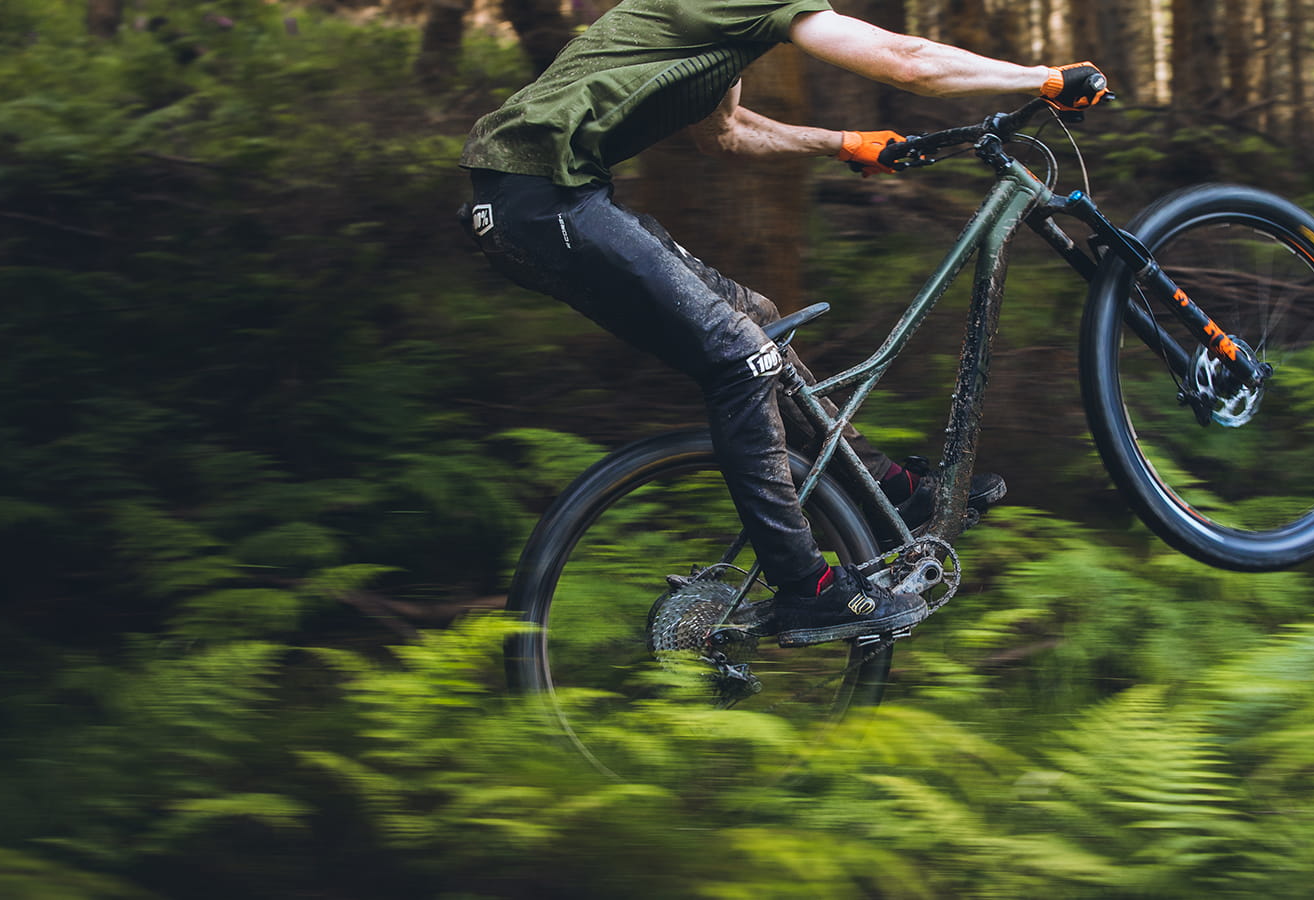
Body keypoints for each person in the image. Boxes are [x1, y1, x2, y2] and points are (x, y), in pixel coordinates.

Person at [458, 1, 1110, 646]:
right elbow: (908, 63)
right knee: (743, 361)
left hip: (546, 201)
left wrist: (846, 145)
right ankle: (807, 589)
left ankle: (887, 490)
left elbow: (726, 132)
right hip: (545, 203)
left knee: (758, 320)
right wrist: (1044, 78)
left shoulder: (718, 22)